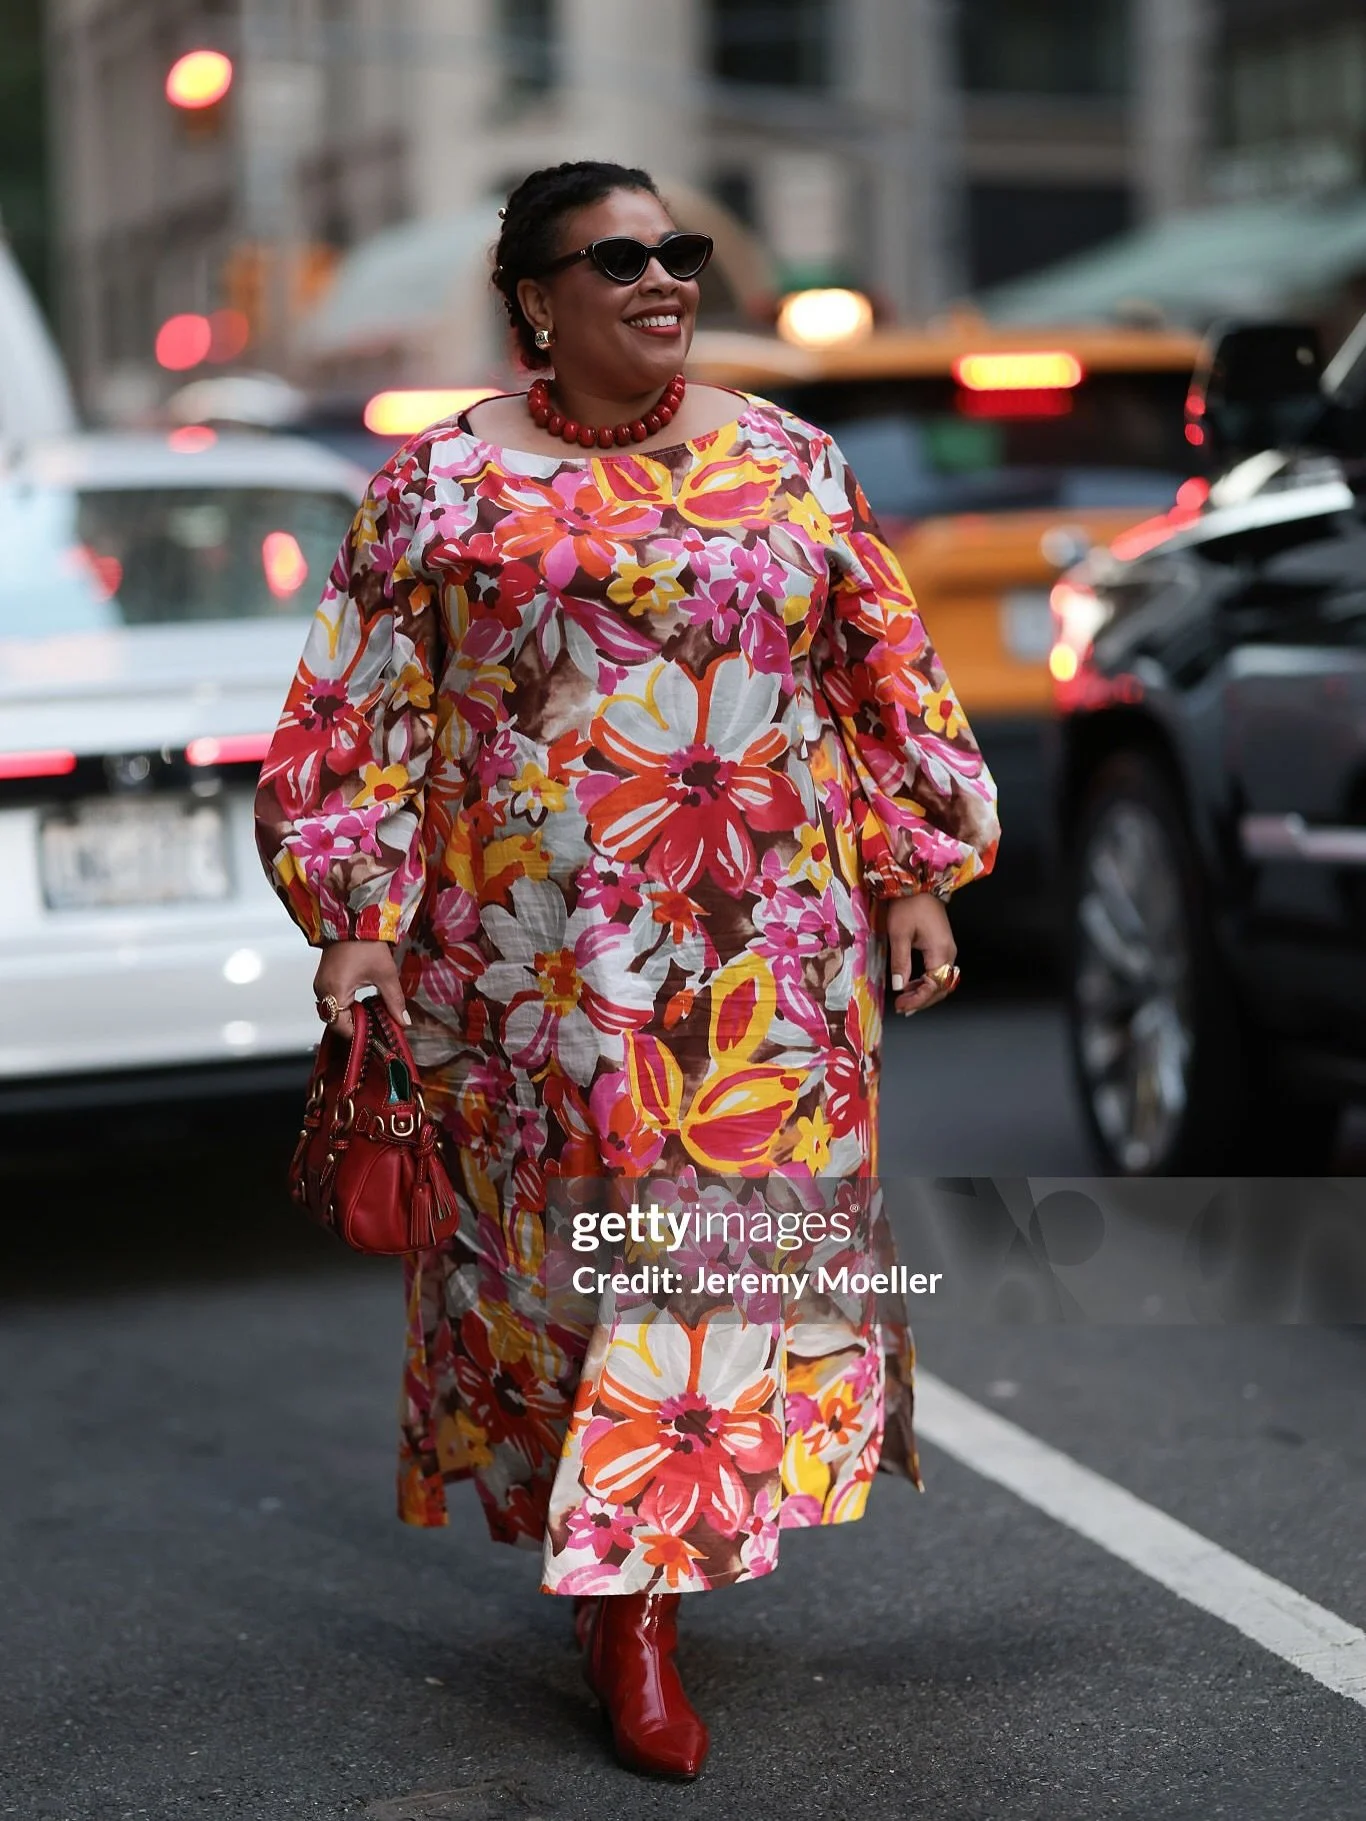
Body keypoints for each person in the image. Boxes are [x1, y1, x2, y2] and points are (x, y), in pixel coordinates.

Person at [254, 159, 1000, 1781]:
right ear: (534, 297)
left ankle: (635, 1603)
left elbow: (878, 671)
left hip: (767, 958)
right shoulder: (435, 488)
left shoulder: (790, 460)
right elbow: (359, 710)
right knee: (564, 1269)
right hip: (530, 965)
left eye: (681, 251)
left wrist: (913, 869)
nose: (663, 279)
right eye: (619, 259)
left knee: (711, 1252)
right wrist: (358, 915)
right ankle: (616, 1562)